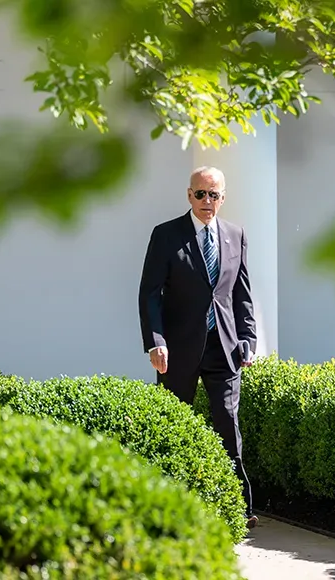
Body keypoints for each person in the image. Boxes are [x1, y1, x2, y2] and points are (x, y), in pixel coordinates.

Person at [138, 166, 258, 529]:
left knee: (227, 423)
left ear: (223, 198)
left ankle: (239, 508)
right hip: (177, 349)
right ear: (189, 195)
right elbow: (150, 293)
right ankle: (167, 504)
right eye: (201, 194)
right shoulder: (166, 235)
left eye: (214, 195)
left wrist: (248, 339)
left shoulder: (235, 235)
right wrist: (155, 342)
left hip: (224, 347)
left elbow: (241, 293)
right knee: (174, 424)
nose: (207, 201)